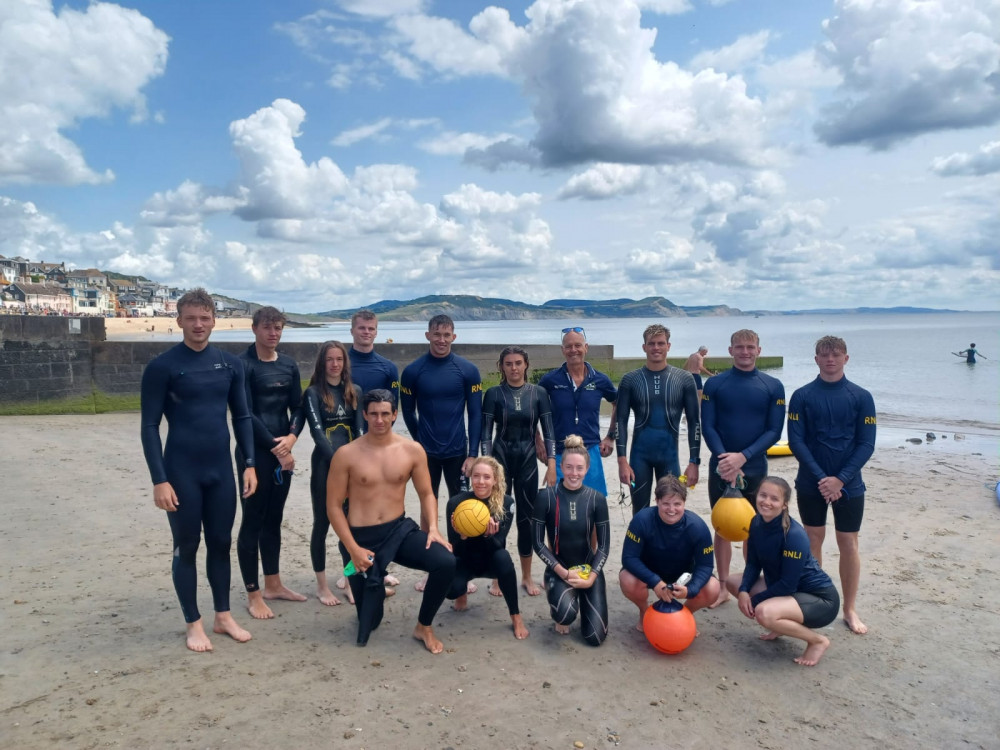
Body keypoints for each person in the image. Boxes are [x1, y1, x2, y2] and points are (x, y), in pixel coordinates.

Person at [140, 288, 257, 652]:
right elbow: (149, 426)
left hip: (221, 470)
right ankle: (194, 623)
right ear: (178, 321)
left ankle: (223, 616)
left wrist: (249, 463)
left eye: (204, 318)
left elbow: (242, 416)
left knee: (222, 543)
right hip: (181, 471)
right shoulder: (162, 367)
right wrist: (160, 479)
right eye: (190, 318)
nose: (198, 325)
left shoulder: (230, 364)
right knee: (187, 546)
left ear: (214, 321)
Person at [327, 389, 456, 653]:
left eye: (385, 413)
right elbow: (333, 506)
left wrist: (432, 528)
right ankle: (372, 589)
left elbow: (427, 493)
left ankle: (424, 626)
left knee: (445, 561)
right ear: (364, 414)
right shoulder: (346, 454)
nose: (379, 420)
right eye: (373, 413)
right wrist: (352, 548)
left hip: (398, 531)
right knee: (370, 622)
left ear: (395, 414)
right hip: (358, 540)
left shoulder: (412, 450)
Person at [788, 335, 876, 635]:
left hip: (849, 483)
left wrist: (840, 478)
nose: (830, 359)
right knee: (813, 540)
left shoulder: (861, 396)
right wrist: (822, 479)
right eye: (824, 355)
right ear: (816, 359)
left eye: (836, 355)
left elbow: (866, 444)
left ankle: (849, 609)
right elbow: (797, 441)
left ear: (846, 358)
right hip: (812, 482)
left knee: (848, 543)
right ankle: (817, 603)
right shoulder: (802, 396)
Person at [700, 329, 785, 608]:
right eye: (740, 347)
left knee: (754, 527)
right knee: (723, 526)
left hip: (755, 466)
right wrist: (726, 460)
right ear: (730, 350)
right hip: (721, 465)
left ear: (759, 351)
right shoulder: (715, 385)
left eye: (750, 347)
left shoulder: (773, 386)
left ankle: (748, 586)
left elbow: (774, 431)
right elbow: (708, 426)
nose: (745, 352)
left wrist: (743, 457)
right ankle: (723, 586)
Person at [236, 306, 306, 619]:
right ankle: (253, 593)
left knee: (274, 519)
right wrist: (279, 449)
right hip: (255, 454)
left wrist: (291, 439)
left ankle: (274, 584)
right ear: (254, 329)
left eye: (278, 328)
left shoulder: (289, 366)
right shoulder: (243, 365)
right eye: (267, 328)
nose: (273, 334)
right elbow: (245, 414)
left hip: (282, 451)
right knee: (253, 519)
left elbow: (298, 408)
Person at [725, 477, 840, 666]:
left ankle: (817, 641)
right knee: (733, 582)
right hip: (787, 591)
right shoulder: (756, 522)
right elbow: (753, 563)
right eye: (763, 495)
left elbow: (788, 584)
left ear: (784, 504)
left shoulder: (793, 535)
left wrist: (753, 601)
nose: (766, 502)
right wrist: (744, 591)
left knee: (764, 613)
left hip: (820, 600)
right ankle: (780, 624)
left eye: (774, 499)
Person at [481, 345, 557, 596]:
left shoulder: (539, 393)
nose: (514, 368)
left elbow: (548, 431)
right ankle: (495, 576)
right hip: (499, 461)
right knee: (496, 520)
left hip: (527, 462)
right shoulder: (492, 393)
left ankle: (526, 576)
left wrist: (553, 463)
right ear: (501, 367)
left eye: (518, 363)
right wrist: (485, 466)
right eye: (508, 364)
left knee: (526, 521)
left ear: (526, 365)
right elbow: (485, 434)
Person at [532, 435, 611, 646]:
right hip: (560, 569)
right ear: (560, 467)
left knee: (595, 637)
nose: (574, 473)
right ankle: (563, 599)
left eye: (579, 468)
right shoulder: (546, 497)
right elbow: (538, 544)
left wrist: (591, 577)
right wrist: (563, 572)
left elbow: (603, 547)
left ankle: (584, 597)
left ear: (587, 469)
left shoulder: (597, 499)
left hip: (588, 568)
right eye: (569, 467)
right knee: (565, 614)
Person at [616, 324, 701, 516]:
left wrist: (694, 461)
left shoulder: (685, 379)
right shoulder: (630, 380)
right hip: (639, 458)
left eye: (661, 343)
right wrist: (622, 460)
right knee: (639, 512)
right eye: (651, 343)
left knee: (672, 510)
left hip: (670, 457)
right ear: (644, 347)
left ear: (668, 346)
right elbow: (620, 421)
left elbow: (695, 422)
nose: (656, 347)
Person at [303, 341, 364, 606]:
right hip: (325, 468)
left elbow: (361, 432)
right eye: (329, 359)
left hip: (352, 469)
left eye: (339, 359)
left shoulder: (355, 391)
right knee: (322, 525)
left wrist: (358, 466)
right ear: (322, 363)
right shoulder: (313, 393)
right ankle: (321, 586)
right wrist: (340, 464)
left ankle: (350, 580)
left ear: (345, 362)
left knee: (351, 530)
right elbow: (317, 433)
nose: (335, 364)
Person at [345, 308, 401, 593]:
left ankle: (379, 567)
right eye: (361, 328)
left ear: (376, 331)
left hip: (378, 447)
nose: (366, 333)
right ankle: (350, 570)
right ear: (352, 330)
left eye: (371, 329)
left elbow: (393, 408)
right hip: (347, 447)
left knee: (378, 510)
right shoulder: (343, 363)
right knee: (349, 512)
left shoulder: (388, 368)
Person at [444, 456, 529, 640]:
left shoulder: (506, 503)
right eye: (476, 476)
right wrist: (463, 536)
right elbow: (454, 549)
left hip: (492, 561)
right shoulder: (456, 503)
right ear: (470, 477)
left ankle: (515, 616)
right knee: (451, 590)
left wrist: (487, 535)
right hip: (466, 560)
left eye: (486, 477)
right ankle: (462, 592)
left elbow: (499, 544)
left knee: (503, 557)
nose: (481, 482)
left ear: (495, 479)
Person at [619, 475, 719, 630]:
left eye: (677, 504)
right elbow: (629, 558)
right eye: (666, 503)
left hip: (683, 577)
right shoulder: (642, 520)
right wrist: (655, 582)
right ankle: (645, 612)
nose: (671, 510)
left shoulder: (697, 527)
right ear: (657, 501)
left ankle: (684, 615)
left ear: (684, 503)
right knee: (627, 578)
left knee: (713, 587)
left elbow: (705, 566)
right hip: (650, 572)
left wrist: (690, 590)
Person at [536, 327, 617, 495]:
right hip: (559, 452)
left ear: (586, 347)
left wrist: (611, 436)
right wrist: (538, 441)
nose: (573, 350)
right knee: (559, 507)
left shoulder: (600, 379)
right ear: (562, 350)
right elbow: (531, 409)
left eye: (578, 345)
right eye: (569, 346)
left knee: (593, 505)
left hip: (591, 451)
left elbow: (618, 404)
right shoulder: (550, 380)